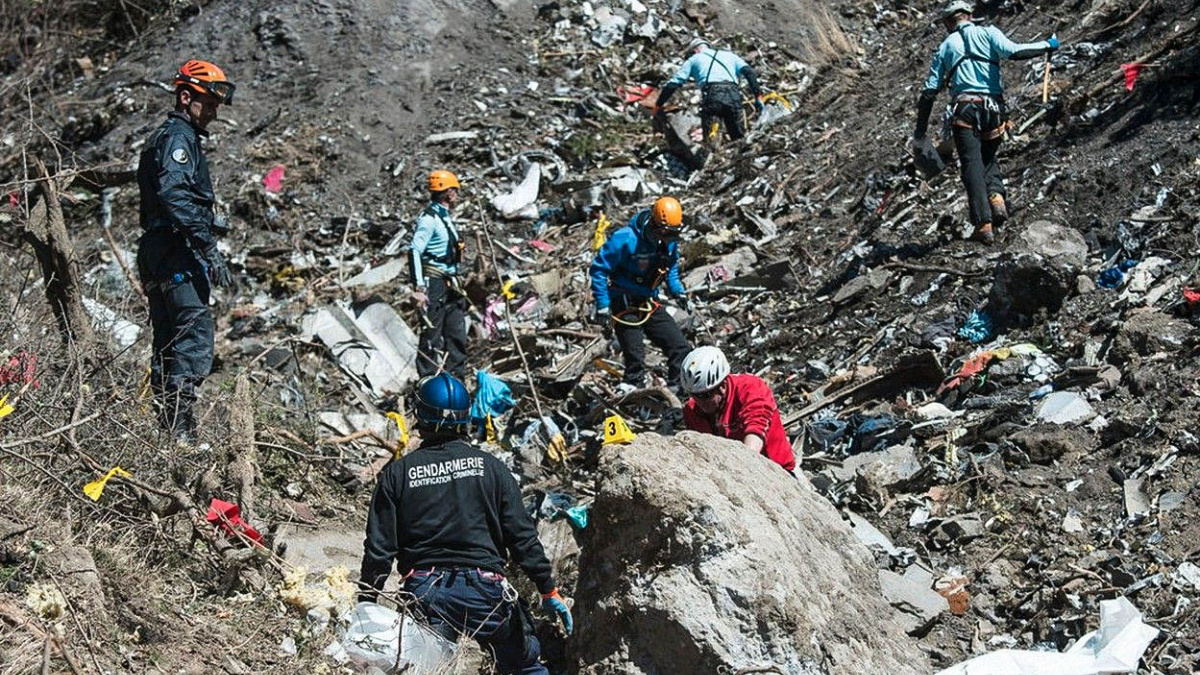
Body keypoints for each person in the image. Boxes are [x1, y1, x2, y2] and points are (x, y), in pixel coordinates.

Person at [358, 374, 571, 674]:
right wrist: (547, 589)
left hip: (426, 593)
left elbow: (379, 550)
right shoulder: (492, 469)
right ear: (466, 417)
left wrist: (366, 601)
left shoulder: (398, 474)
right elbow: (522, 537)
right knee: (524, 665)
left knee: (425, 668)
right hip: (488, 592)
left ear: (420, 416)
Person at [136, 59, 236, 440]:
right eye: (207, 103)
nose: (212, 112)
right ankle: (181, 433)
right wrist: (208, 247)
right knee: (192, 334)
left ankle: (165, 432)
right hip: (176, 249)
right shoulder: (179, 138)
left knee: (167, 340)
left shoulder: (163, 137)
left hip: (157, 247)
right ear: (185, 96)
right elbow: (174, 193)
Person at [912, 1, 1059, 243]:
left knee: (971, 164)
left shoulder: (946, 46)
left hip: (965, 110)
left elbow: (929, 91)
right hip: (994, 109)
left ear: (949, 23)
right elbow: (1015, 52)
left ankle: (983, 223)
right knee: (988, 156)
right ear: (970, 15)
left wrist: (920, 131)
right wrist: (1047, 45)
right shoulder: (990, 33)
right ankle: (997, 198)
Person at [589, 197, 691, 393]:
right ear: (655, 224)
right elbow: (599, 270)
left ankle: (677, 387)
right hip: (624, 300)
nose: (669, 237)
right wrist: (602, 303)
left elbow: (670, 269)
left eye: (673, 233)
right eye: (666, 232)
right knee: (635, 354)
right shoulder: (626, 238)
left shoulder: (668, 243)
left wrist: (678, 291)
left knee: (678, 346)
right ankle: (633, 389)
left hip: (648, 301)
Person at [679, 346, 796, 473]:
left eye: (705, 395)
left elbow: (757, 427)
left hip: (777, 471)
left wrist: (744, 468)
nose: (700, 402)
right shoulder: (691, 410)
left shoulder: (751, 388)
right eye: (694, 395)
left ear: (722, 386)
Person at [410, 170, 468, 379]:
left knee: (456, 334)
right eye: (455, 190)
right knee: (431, 335)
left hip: (450, 282)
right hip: (434, 282)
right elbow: (414, 250)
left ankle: (456, 382)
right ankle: (427, 382)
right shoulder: (429, 219)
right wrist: (419, 287)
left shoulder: (445, 217)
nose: (457, 195)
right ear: (448, 193)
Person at [655, 37, 764, 143]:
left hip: (712, 96)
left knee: (711, 139)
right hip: (733, 95)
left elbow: (673, 84)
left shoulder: (694, 59)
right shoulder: (730, 56)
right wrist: (758, 97)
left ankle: (712, 153)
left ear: (695, 50)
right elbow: (749, 72)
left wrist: (659, 104)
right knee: (739, 139)